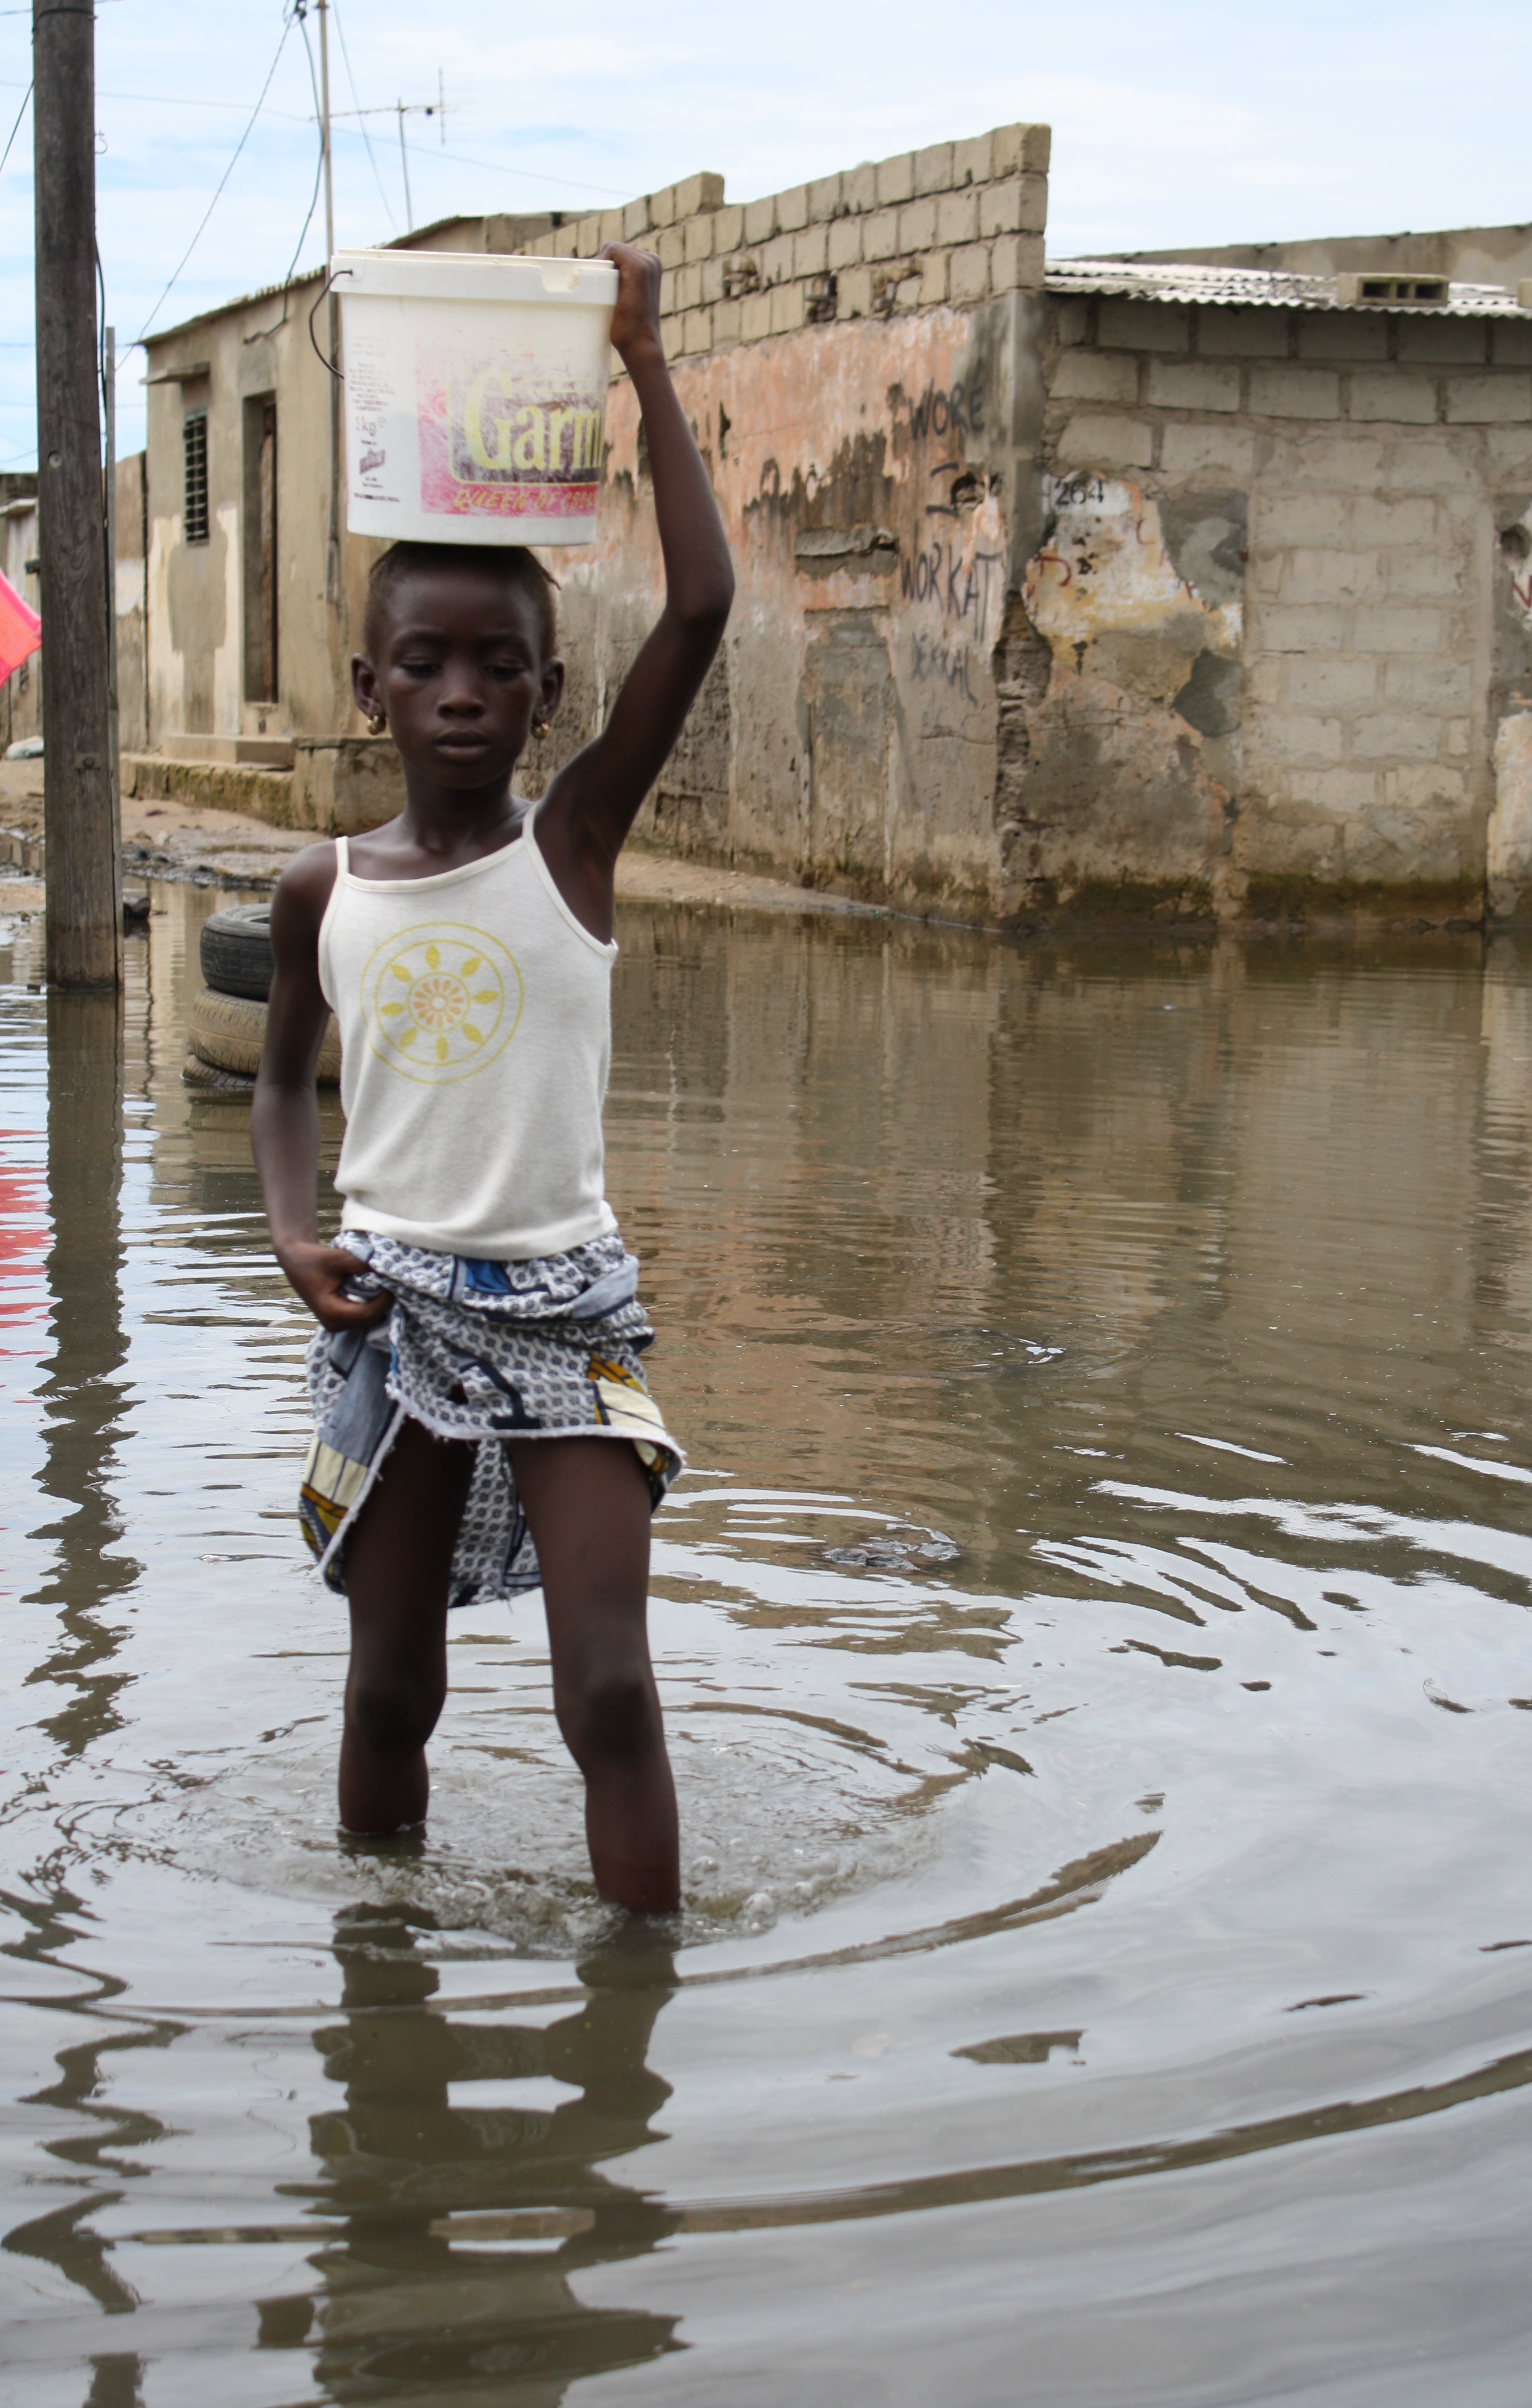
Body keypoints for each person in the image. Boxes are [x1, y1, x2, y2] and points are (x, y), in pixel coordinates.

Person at [250, 243, 733, 1915]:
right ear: (371, 685)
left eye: (499, 667)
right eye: (428, 664)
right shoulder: (320, 889)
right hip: (389, 1301)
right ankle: (382, 1997)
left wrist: (644, 357)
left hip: (564, 1300)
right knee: (393, 1692)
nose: (462, 695)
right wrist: (293, 1234)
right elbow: (284, 1088)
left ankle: (635, 2037)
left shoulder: (577, 846)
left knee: (608, 1689)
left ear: (545, 690)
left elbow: (700, 607)